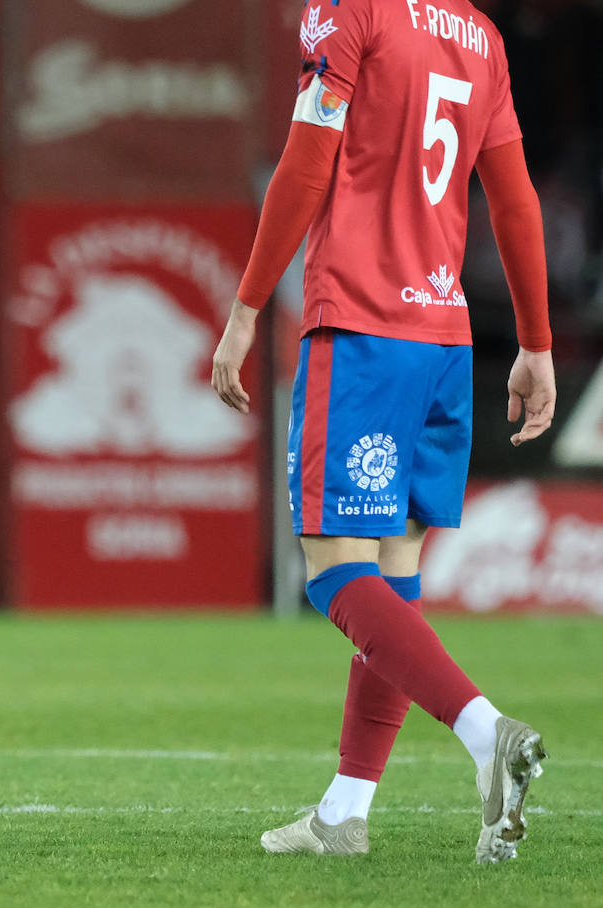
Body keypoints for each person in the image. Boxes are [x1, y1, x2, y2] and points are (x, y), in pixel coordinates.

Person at [211, 0, 555, 863]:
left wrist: (247, 305)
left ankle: (488, 737)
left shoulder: (346, 10)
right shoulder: (482, 36)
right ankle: (343, 812)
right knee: (391, 579)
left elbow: (308, 159)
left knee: (330, 575)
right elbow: (514, 199)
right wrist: (537, 342)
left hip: (363, 331)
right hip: (443, 340)